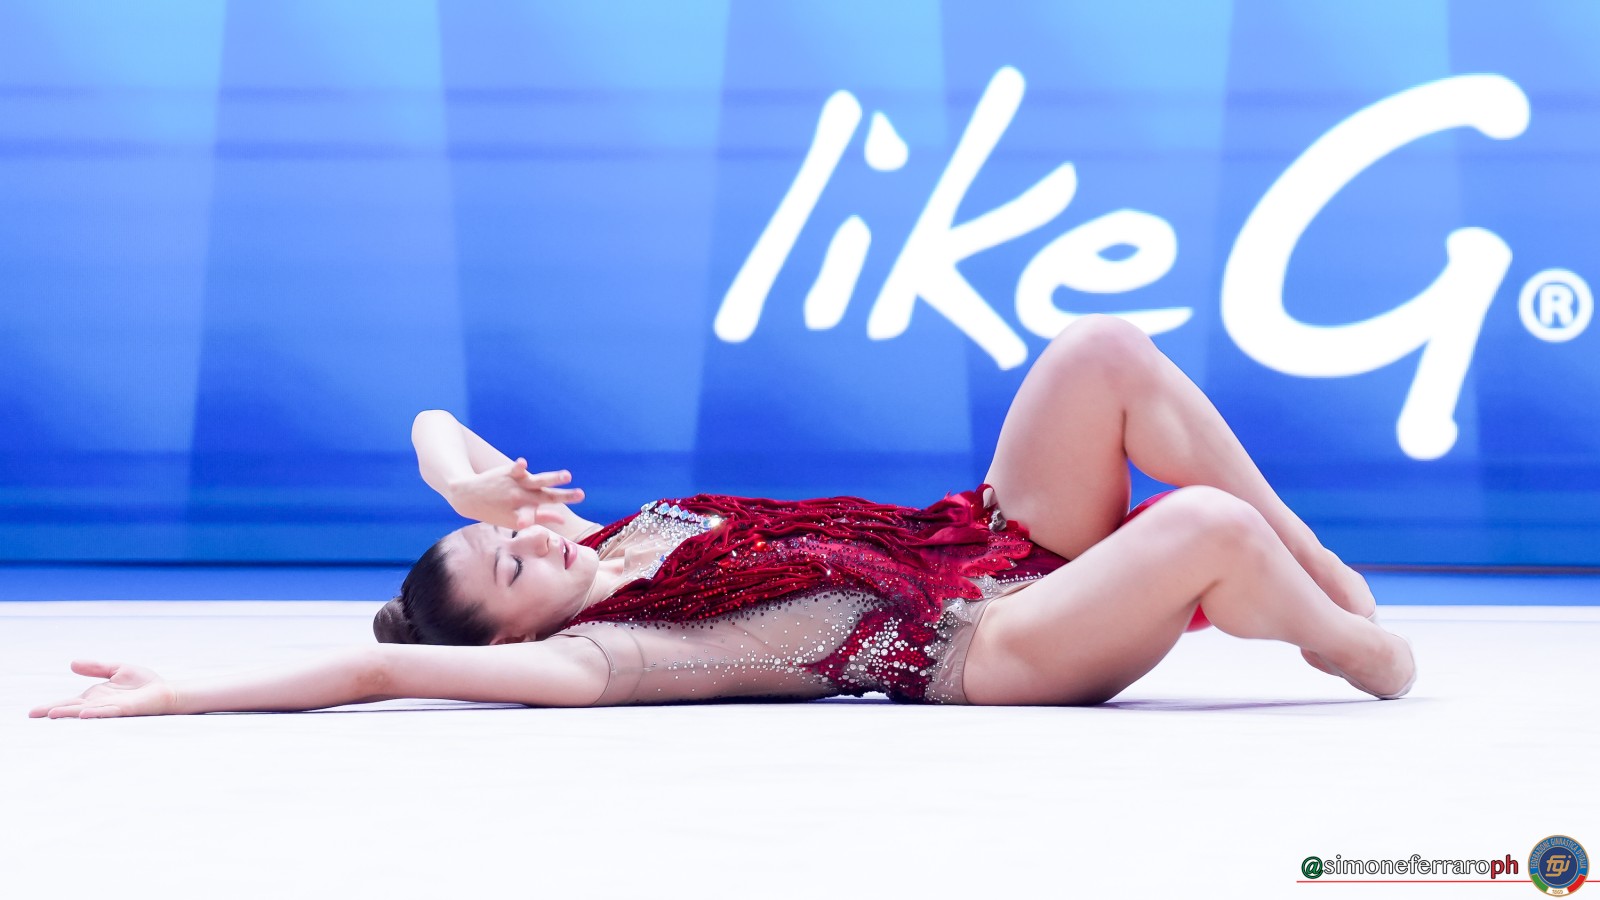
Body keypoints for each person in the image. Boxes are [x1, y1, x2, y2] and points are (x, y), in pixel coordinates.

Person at [29, 316, 1415, 720]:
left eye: (518, 530)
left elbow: (432, 423)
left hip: (986, 537)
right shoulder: (598, 657)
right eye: (514, 563)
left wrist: (465, 490)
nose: (540, 535)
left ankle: (1311, 559)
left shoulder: (606, 542)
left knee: (1098, 351)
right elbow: (380, 669)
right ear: (511, 636)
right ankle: (1353, 649)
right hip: (986, 646)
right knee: (1201, 529)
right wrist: (180, 694)